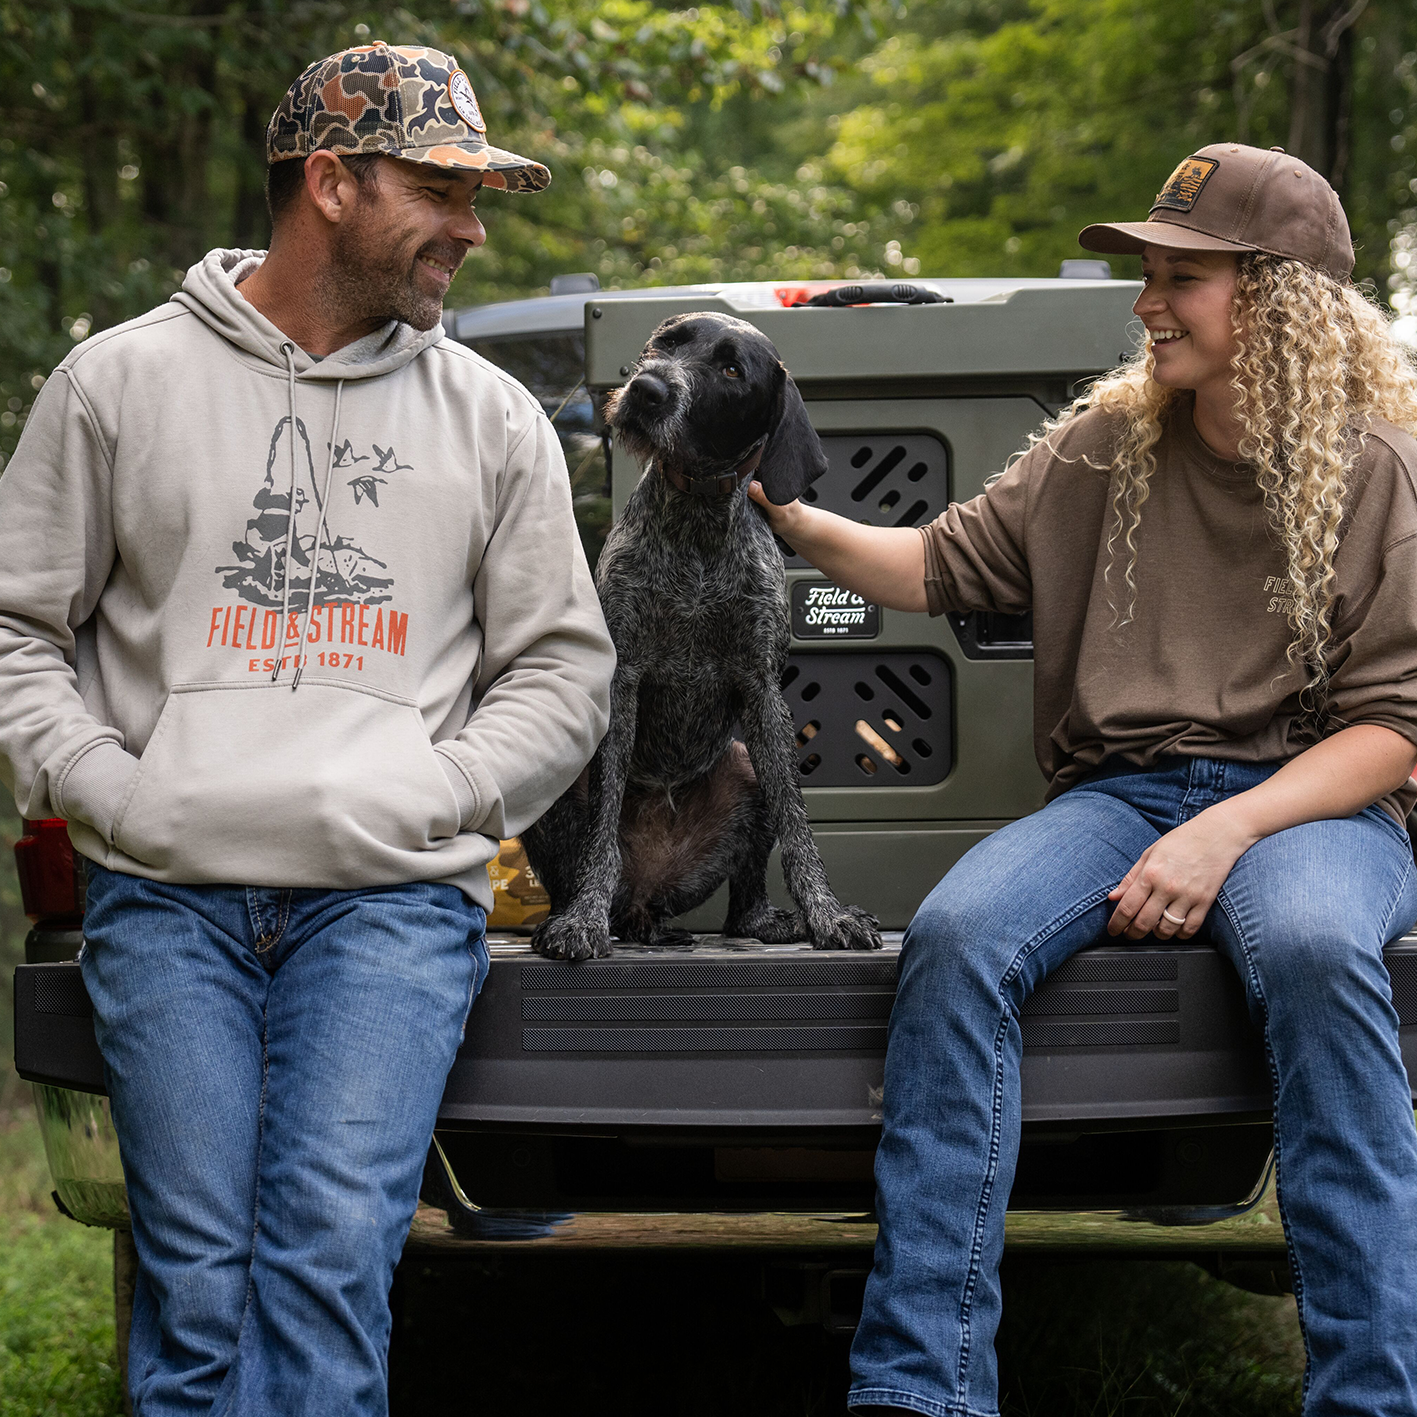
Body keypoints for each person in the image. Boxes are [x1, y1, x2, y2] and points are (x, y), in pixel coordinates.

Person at [749, 142, 1417, 1417]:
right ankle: (922, 1390)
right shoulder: (1105, 450)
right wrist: (789, 514)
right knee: (951, 940)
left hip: (1316, 801)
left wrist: (1224, 833)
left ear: (1276, 300)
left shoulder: (1379, 469)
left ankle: (1368, 1395)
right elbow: (932, 567)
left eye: (1182, 277)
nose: (1146, 302)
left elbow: (1392, 732)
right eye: (1148, 274)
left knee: (1324, 954)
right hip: (1119, 797)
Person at [0, 42, 614, 1417]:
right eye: (441, 189)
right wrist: (112, 786)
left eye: (478, 194)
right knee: (197, 1285)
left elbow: (563, 670)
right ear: (329, 182)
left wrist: (437, 791)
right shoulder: (115, 387)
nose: (471, 225)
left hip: (389, 904)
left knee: (327, 1271)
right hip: (168, 896)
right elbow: (15, 630)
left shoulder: (491, 418)